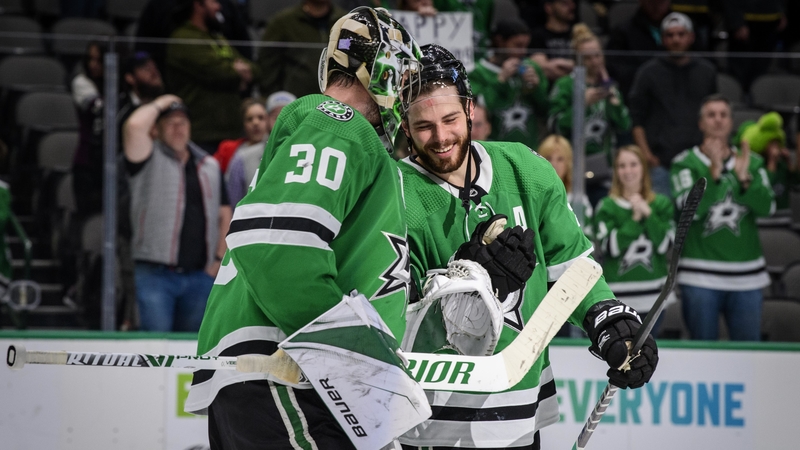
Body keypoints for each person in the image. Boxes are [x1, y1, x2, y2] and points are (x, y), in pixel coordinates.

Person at [397, 44, 658, 449]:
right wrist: (471, 280)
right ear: (405, 126)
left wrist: (609, 324)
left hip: (518, 406)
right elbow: (397, 314)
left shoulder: (526, 168)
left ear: (469, 109)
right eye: (423, 125)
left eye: (450, 119)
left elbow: (571, 269)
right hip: (429, 416)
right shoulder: (393, 193)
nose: (441, 136)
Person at [184, 7, 422, 448]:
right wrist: (356, 360)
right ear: (386, 74)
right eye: (405, 81)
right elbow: (279, 245)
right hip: (289, 372)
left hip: (286, 375)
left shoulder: (343, 138)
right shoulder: (340, 124)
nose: (407, 98)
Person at [123, 95, 231, 332]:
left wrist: (218, 260)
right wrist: (163, 101)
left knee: (192, 354)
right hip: (155, 274)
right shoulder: (147, 157)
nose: (177, 127)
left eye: (183, 122)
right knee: (154, 353)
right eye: (170, 122)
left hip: (200, 276)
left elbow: (225, 213)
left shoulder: (209, 165)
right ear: (157, 128)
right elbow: (134, 126)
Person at [670, 95, 774, 341]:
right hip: (699, 275)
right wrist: (713, 176)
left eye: (723, 115)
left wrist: (744, 180)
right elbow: (687, 212)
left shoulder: (753, 163)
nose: (717, 120)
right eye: (711, 115)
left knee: (749, 357)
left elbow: (768, 207)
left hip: (747, 278)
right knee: (703, 355)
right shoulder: (685, 163)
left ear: (731, 122)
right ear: (701, 123)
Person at [628, 11, 717, 197]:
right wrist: (647, 156)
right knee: (663, 221)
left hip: (699, 163)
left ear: (691, 37)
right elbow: (636, 119)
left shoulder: (707, 72)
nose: (676, 39)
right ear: (662, 39)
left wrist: (711, 153)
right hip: (660, 166)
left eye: (681, 34)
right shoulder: (647, 73)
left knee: (697, 222)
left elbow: (714, 114)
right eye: (670, 35)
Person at [593, 145, 675, 337]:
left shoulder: (661, 204)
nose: (627, 171)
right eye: (621, 166)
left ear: (643, 168)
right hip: (617, 298)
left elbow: (665, 245)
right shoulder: (607, 206)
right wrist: (635, 219)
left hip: (654, 296)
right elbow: (609, 247)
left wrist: (649, 215)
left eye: (633, 164)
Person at [165, 0, 260, 154]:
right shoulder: (183, 38)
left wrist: (237, 72)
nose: (219, 6)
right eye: (214, 1)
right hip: (201, 134)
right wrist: (236, 73)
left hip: (231, 132)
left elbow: (254, 69)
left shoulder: (218, 38)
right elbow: (218, 73)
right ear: (198, 5)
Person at [548, 24, 631, 163]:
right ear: (576, 59)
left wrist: (614, 102)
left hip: (604, 163)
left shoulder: (610, 86)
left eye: (598, 55)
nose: (595, 61)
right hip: (571, 162)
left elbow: (624, 126)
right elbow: (554, 126)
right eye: (588, 58)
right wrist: (581, 104)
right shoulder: (565, 85)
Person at [469, 19, 550, 149]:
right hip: (493, 149)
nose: (523, 52)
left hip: (529, 149)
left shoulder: (532, 68)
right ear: (500, 41)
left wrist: (536, 88)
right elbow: (477, 111)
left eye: (525, 46)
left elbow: (545, 111)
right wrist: (499, 81)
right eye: (518, 45)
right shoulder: (478, 73)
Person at [257, 0, 347, 98]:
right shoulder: (283, 22)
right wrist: (274, 100)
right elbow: (268, 67)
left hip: (339, 102)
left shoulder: (347, 21)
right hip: (295, 102)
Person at [225, 91, 297, 207]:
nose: (282, 120)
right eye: (275, 116)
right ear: (267, 120)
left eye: (289, 115)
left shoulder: (313, 157)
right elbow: (233, 209)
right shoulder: (242, 160)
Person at [735, 112, 798, 224]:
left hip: (784, 215)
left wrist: (788, 161)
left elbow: (795, 181)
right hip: (763, 218)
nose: (774, 148)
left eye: (776, 143)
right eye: (771, 144)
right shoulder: (756, 165)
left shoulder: (782, 164)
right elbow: (766, 185)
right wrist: (771, 163)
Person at [605, 0, 672, 98]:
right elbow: (616, 69)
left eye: (660, 2)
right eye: (652, 2)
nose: (656, 7)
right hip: (636, 93)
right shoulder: (622, 32)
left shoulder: (683, 32)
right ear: (642, 2)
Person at [536, 134, 593, 236]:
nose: (554, 164)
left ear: (568, 163)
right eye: (549, 158)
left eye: (560, 159)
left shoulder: (579, 201)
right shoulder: (532, 198)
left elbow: (587, 241)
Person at [529, 0, 577, 81]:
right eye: (564, 3)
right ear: (548, 8)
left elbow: (589, 64)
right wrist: (574, 67)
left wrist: (559, 63)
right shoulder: (538, 35)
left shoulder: (578, 33)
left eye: (572, 3)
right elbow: (542, 68)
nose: (571, 7)